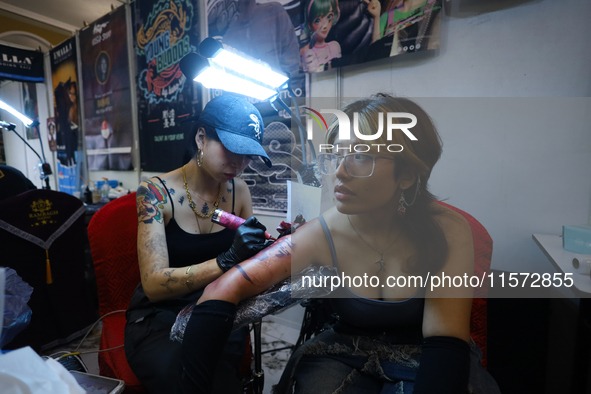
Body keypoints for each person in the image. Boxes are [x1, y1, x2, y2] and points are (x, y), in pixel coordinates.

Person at [176, 94, 501, 393]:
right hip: (345, 352)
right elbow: (223, 290)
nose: (340, 172)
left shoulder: (448, 230)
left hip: (423, 356)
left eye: (361, 155)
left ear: (407, 174)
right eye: (334, 156)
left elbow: (444, 341)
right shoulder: (325, 232)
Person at [124, 94, 273, 394]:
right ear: (201, 138)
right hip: (160, 318)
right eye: (232, 149)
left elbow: (251, 269)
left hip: (216, 310)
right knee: (192, 380)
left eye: (248, 156)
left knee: (222, 380)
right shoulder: (155, 193)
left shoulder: (238, 191)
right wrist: (227, 259)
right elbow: (153, 285)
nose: (239, 164)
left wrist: (267, 251)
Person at [301, 0, 342, 72]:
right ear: (310, 25)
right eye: (317, 20)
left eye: (329, 16)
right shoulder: (309, 54)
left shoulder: (334, 47)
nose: (325, 26)